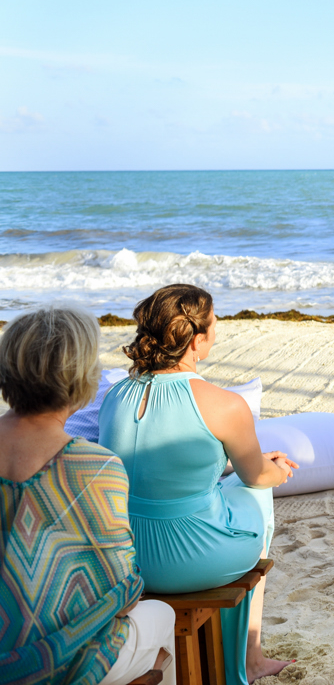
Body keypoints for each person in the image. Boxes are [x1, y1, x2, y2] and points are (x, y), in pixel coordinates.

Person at [98, 285, 297, 685]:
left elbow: (162, 470)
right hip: (191, 558)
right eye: (213, 320)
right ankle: (250, 657)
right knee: (257, 492)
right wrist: (277, 471)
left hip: (128, 557)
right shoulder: (223, 404)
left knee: (220, 491)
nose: (217, 324)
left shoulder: (115, 396)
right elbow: (255, 475)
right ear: (196, 338)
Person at [1, 305, 176, 685]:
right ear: (83, 377)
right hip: (55, 658)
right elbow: (123, 588)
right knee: (161, 616)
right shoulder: (96, 466)